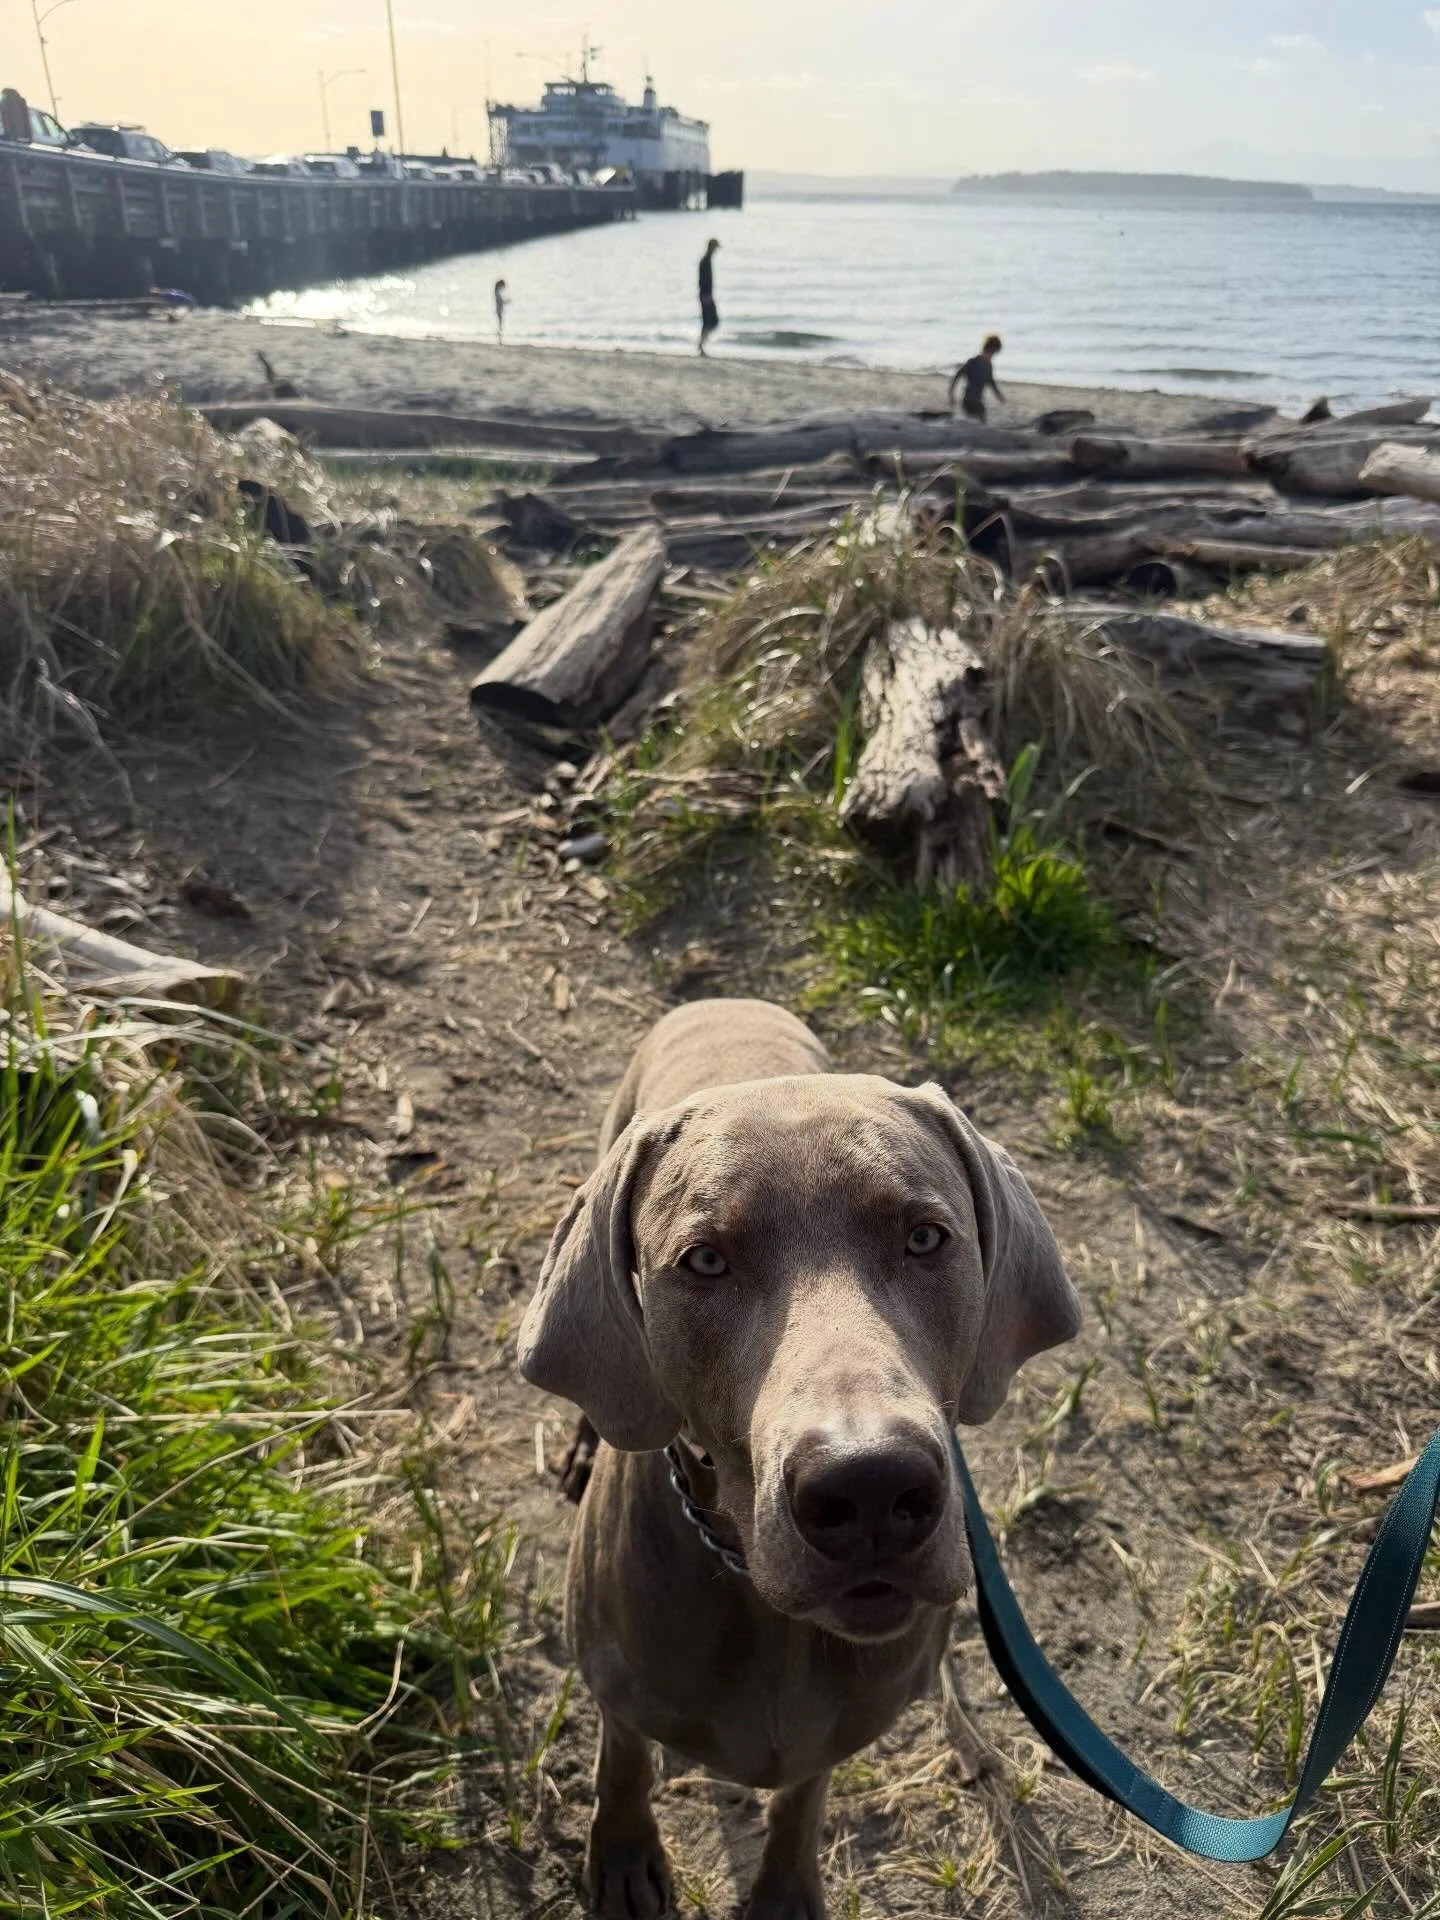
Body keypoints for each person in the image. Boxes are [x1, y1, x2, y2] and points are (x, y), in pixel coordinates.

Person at [949, 334, 1005, 421]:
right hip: (969, 401)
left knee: (978, 420)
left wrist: (1000, 397)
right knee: (981, 420)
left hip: (976, 401)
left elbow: (991, 383)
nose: (992, 355)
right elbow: (958, 375)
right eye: (993, 352)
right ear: (989, 349)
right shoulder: (973, 362)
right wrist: (951, 394)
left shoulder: (988, 365)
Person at [698, 238, 720, 357]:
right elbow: (702, 280)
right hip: (705, 294)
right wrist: (706, 295)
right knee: (710, 321)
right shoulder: (705, 261)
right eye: (715, 247)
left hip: (707, 294)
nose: (715, 250)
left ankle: (701, 344)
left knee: (711, 321)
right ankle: (701, 345)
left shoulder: (707, 260)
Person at [494, 278, 509, 344]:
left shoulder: (497, 292)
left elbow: (500, 301)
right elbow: (501, 301)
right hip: (499, 309)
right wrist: (506, 301)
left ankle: (500, 332)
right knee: (500, 321)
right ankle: (500, 333)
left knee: (500, 321)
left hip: (499, 309)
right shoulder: (497, 293)